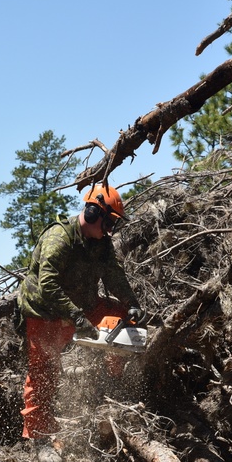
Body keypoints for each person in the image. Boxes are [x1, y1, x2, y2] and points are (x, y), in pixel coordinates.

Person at [16, 183, 145, 441]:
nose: (109, 231)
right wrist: (76, 317)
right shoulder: (59, 238)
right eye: (108, 224)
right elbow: (47, 285)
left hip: (82, 304)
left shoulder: (101, 243)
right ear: (92, 213)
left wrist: (131, 301)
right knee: (44, 373)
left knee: (121, 317)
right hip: (45, 311)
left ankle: (113, 385)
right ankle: (39, 437)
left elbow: (113, 274)